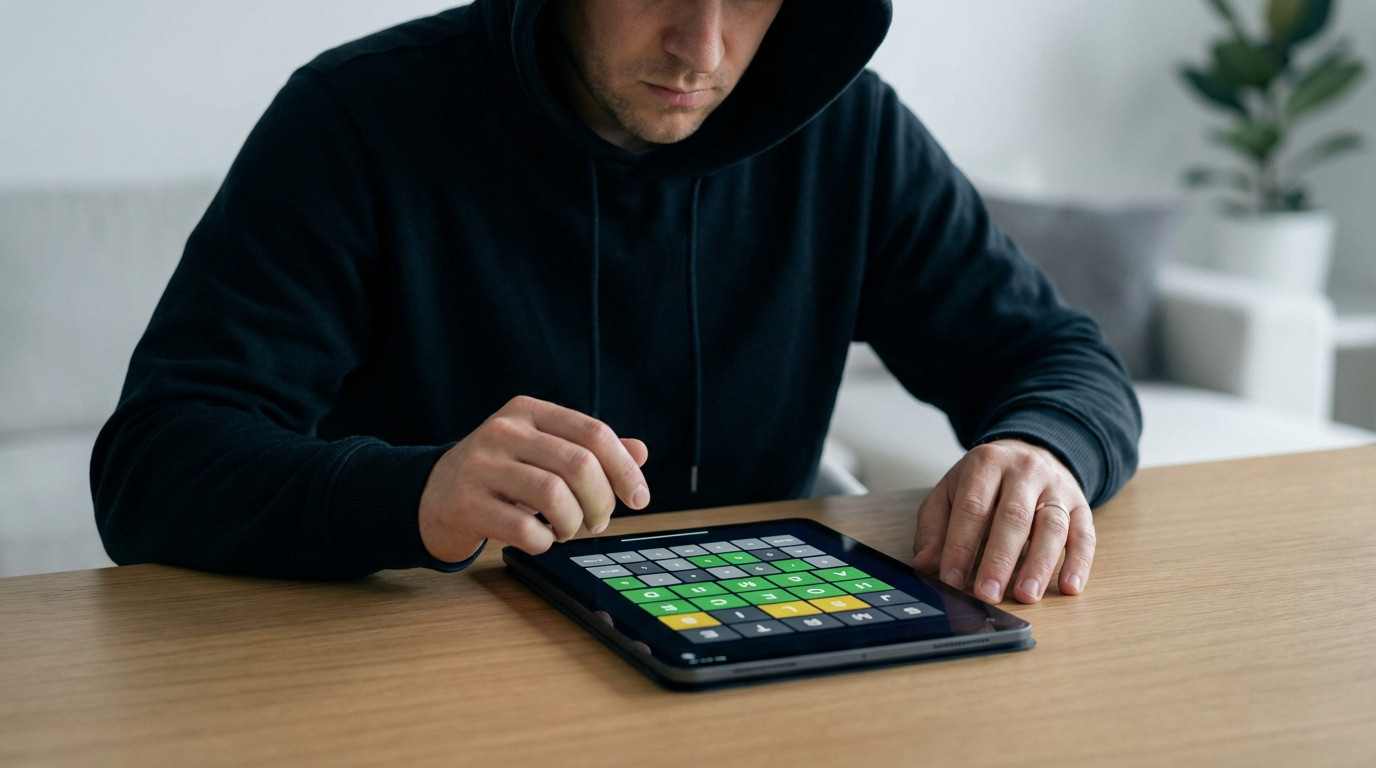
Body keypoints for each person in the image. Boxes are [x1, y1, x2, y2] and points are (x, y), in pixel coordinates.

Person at [91, 0, 1140, 605]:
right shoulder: (355, 121)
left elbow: (1057, 359)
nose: (703, 47)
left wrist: (1040, 447)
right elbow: (152, 464)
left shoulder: (845, 135)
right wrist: (415, 496)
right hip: (422, 664)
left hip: (745, 648)